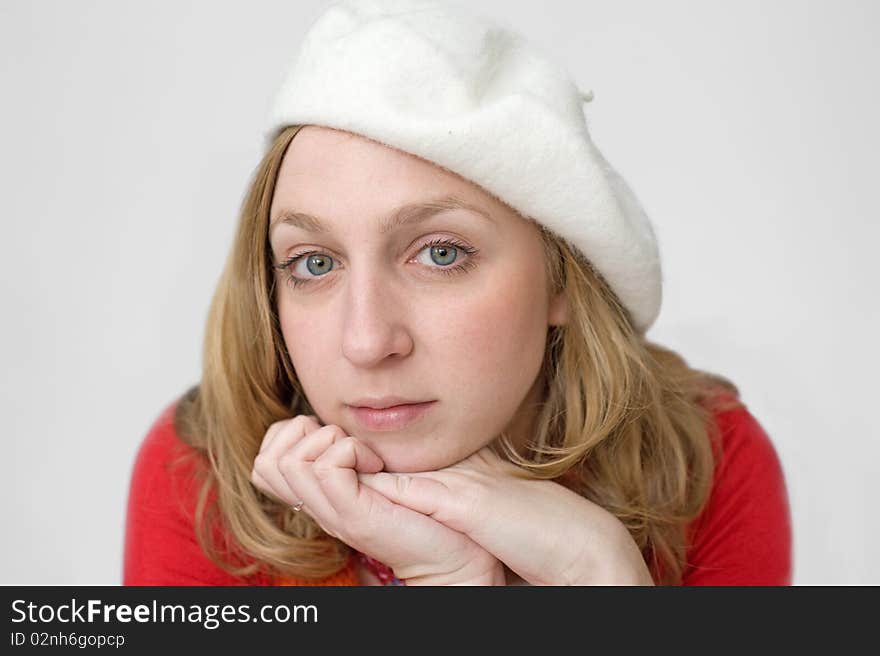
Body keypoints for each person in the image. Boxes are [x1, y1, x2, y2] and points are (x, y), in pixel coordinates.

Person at [123, 0, 792, 586]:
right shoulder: (203, 477)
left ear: (562, 276)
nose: (367, 341)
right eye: (315, 263)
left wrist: (601, 573)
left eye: (441, 254)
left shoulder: (706, 463)